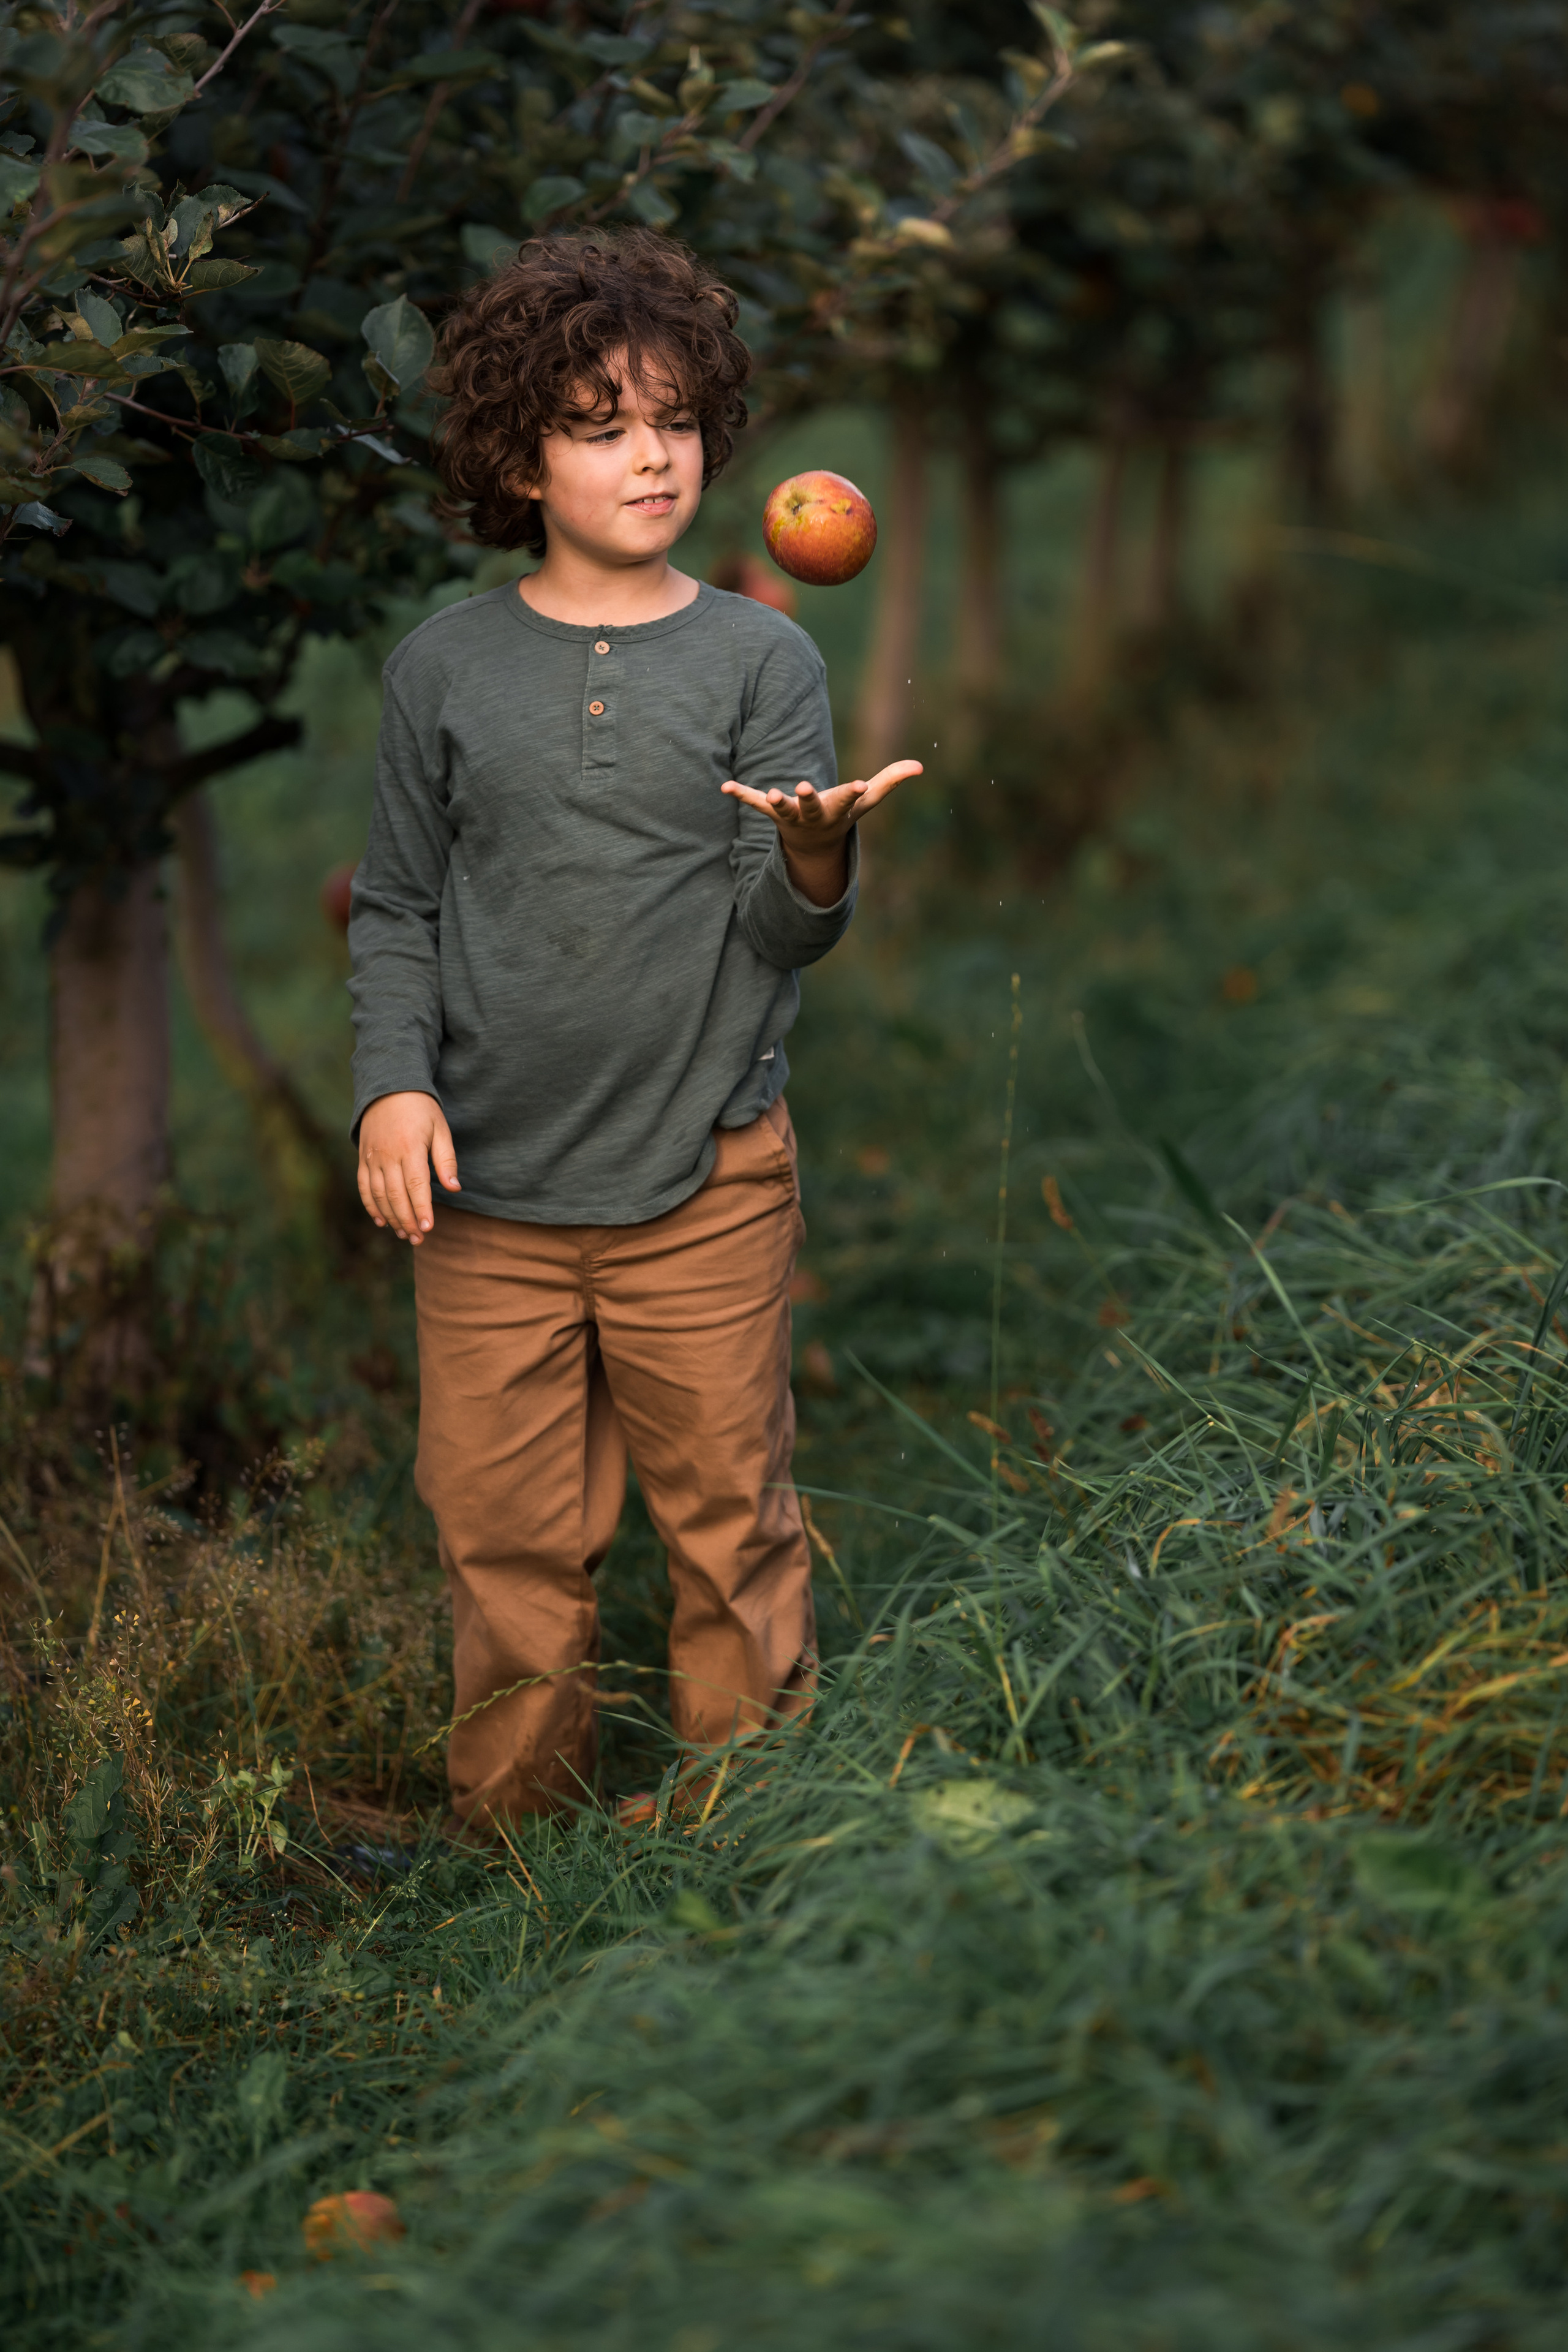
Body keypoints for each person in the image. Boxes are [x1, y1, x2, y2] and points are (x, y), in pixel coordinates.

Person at [347, 228, 921, 1833]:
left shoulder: (762, 656)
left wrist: (816, 851)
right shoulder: (443, 671)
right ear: (520, 458)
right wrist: (392, 1088)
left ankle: (756, 1817)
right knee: (503, 1532)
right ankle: (515, 1839)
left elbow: (780, 927)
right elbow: (394, 904)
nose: (650, 453)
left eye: (671, 418)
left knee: (728, 1517)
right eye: (600, 424)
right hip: (488, 1193)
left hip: (703, 1170)